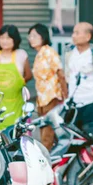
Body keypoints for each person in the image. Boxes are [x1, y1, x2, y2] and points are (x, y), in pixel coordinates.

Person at [0, 25, 32, 131]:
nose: (5, 41)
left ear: (15, 39)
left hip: (16, 106)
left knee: (16, 138)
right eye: (2, 37)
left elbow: (29, 75)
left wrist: (19, 83)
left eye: (8, 38)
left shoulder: (21, 55)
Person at [28, 23, 68, 151]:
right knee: (46, 134)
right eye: (30, 36)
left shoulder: (49, 52)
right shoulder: (39, 54)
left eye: (35, 35)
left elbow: (61, 74)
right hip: (42, 100)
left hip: (52, 98)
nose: (31, 38)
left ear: (43, 36)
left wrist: (65, 97)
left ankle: (46, 164)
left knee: (47, 136)